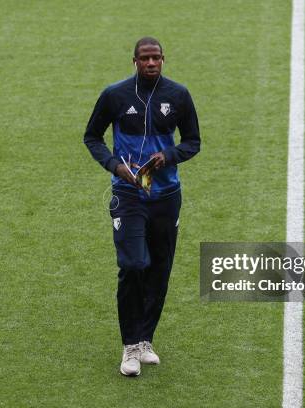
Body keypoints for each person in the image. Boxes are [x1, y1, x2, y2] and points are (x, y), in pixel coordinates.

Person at [83, 37, 200, 376]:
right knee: (133, 265)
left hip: (166, 196)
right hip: (128, 195)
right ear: (134, 61)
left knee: (159, 270)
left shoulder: (178, 96)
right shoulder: (114, 95)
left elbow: (193, 141)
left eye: (156, 58)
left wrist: (170, 155)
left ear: (164, 60)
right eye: (145, 58)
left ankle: (145, 340)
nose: (151, 63)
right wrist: (115, 165)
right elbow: (92, 136)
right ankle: (129, 347)